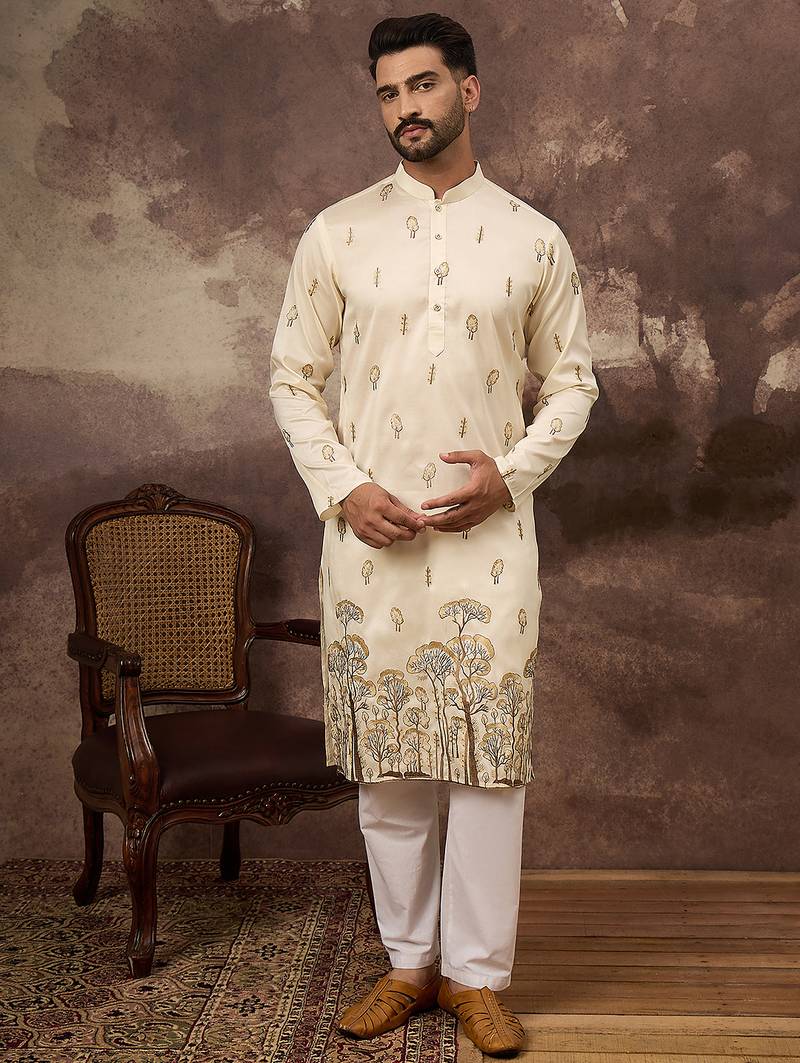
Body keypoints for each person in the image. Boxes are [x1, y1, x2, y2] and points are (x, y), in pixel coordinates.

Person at [268, 12, 599, 1057]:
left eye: (421, 85)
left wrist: (512, 473)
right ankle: (409, 964)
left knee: (487, 767)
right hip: (370, 543)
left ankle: (478, 979)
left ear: (469, 90)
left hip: (490, 547)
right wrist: (342, 489)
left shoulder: (532, 237)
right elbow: (291, 379)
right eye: (387, 92)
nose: (404, 108)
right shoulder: (336, 233)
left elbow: (573, 383)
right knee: (391, 770)